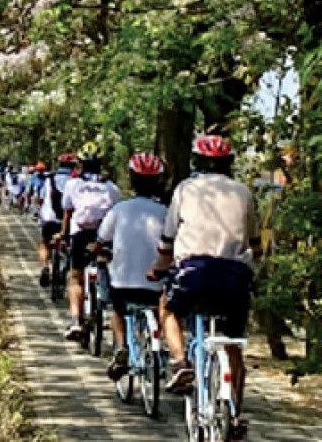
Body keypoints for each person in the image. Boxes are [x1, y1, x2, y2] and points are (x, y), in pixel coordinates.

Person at [149, 135, 260, 433]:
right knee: (233, 344)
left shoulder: (185, 189)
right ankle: (234, 413)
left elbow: (168, 239)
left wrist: (159, 268)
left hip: (192, 273)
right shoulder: (243, 192)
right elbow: (256, 243)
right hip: (234, 277)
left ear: (197, 161)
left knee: (169, 309)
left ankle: (181, 362)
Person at [97, 153, 168, 381]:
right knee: (159, 307)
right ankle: (156, 343)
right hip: (155, 283)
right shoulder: (165, 212)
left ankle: (121, 348)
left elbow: (102, 238)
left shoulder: (120, 209)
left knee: (117, 310)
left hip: (123, 282)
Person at [61, 143, 121, 341]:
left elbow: (68, 213)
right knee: (106, 270)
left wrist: (63, 234)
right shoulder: (111, 187)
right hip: (104, 236)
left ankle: (76, 320)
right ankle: (104, 307)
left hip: (80, 234)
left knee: (76, 277)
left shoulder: (73, 185)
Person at [36, 154, 76, 287]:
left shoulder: (49, 179)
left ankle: (46, 267)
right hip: (69, 222)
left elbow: (41, 198)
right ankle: (65, 269)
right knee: (72, 246)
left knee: (44, 242)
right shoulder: (76, 181)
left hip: (50, 219)